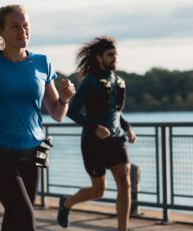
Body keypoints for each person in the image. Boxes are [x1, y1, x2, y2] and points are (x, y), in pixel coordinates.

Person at [0, 4, 75, 231]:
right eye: (15, 26)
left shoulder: (42, 62)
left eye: (26, 26)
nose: (23, 31)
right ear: (1, 31)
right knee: (26, 217)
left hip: (32, 154)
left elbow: (57, 114)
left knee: (14, 219)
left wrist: (66, 98)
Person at [58, 36, 137, 231]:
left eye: (115, 54)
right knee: (98, 190)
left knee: (125, 183)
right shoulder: (91, 82)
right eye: (110, 55)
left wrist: (127, 127)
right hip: (93, 142)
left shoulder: (119, 82)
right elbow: (73, 111)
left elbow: (116, 111)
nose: (114, 58)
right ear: (100, 57)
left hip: (116, 140)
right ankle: (67, 203)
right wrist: (94, 127)